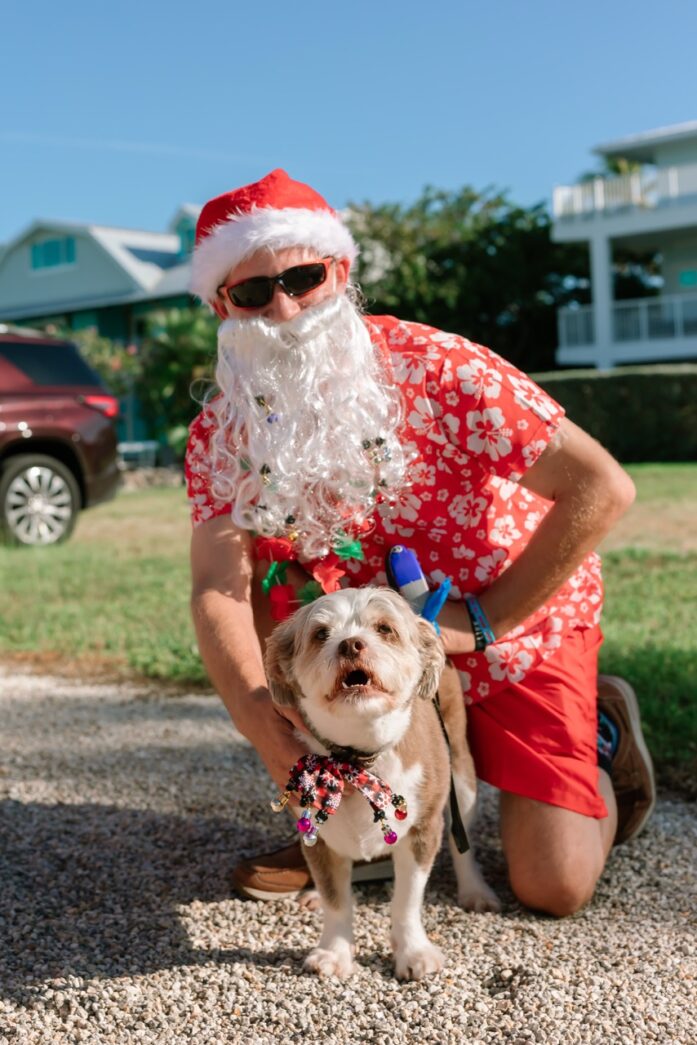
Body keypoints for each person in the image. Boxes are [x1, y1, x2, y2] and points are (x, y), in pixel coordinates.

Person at [185, 169, 655, 917]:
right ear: (221, 305)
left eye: (303, 279)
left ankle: (603, 736)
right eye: (252, 292)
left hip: (511, 628)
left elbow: (603, 487)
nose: (284, 308)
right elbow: (218, 585)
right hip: (366, 651)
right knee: (282, 599)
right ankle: (356, 824)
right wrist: (263, 723)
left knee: (553, 884)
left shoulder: (442, 367)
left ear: (340, 273)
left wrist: (481, 621)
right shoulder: (221, 431)